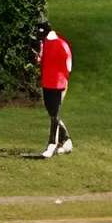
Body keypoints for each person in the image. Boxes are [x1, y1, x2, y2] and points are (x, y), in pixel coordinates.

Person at [35, 22, 75, 157]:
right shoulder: (45, 44)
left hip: (58, 84)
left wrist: (62, 80)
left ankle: (52, 144)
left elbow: (68, 66)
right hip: (47, 82)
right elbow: (43, 62)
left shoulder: (60, 44)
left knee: (54, 114)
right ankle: (67, 141)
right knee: (52, 113)